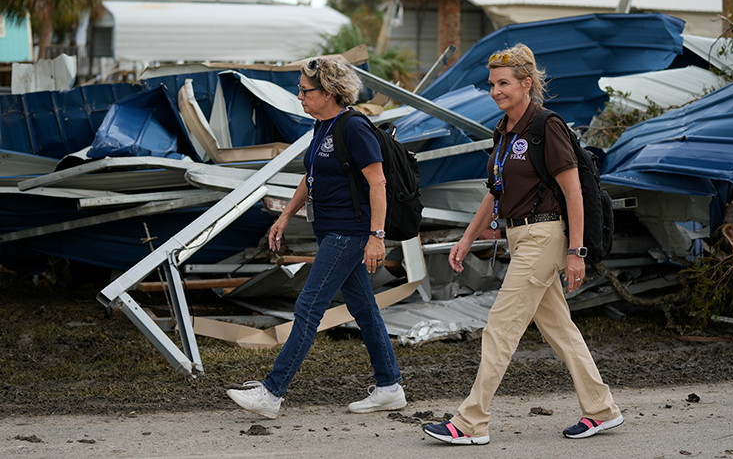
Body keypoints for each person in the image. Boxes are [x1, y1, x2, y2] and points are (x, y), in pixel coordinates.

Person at [423, 43, 622, 445]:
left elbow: (573, 193)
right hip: (520, 235)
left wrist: (576, 251)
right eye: (492, 84)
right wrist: (466, 238)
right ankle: (602, 410)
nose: (495, 90)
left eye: (504, 83)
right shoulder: (504, 130)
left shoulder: (545, 126)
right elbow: (494, 194)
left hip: (545, 235)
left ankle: (470, 422)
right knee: (560, 330)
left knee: (499, 326)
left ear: (526, 84)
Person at [226, 57, 406, 419]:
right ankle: (390, 387)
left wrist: (376, 236)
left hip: (350, 233)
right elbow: (311, 178)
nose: (300, 96)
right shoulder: (322, 127)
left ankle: (272, 392)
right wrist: (286, 216)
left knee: (308, 308)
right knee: (365, 310)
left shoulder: (354, 128)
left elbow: (378, 182)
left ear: (328, 92)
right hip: (332, 232)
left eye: (306, 91)